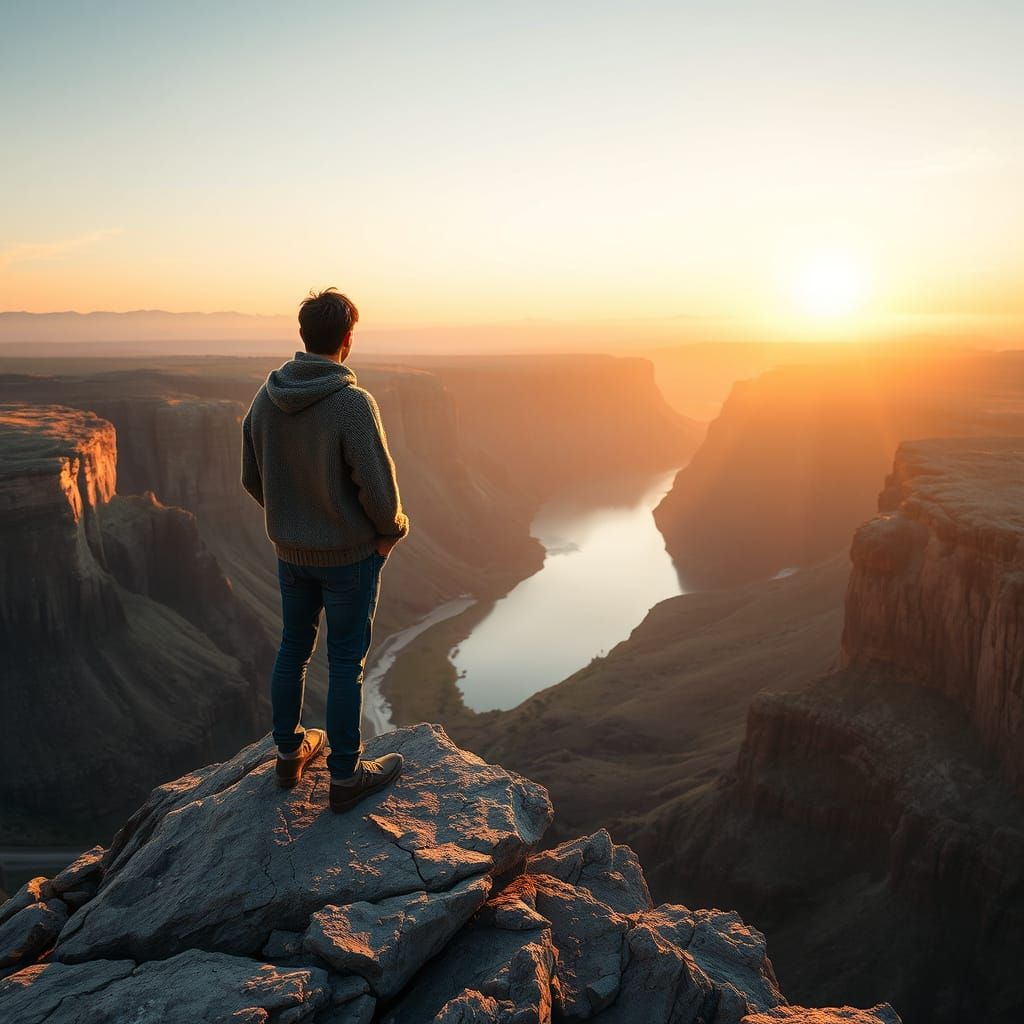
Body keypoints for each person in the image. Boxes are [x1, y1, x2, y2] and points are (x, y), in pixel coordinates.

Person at [241, 288, 409, 812]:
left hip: (291, 555)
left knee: (293, 649)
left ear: (303, 336)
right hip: (348, 559)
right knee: (345, 664)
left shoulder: (264, 399)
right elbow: (378, 490)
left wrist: (291, 519)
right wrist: (391, 531)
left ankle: (289, 753)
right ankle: (344, 776)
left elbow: (252, 477)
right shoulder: (351, 403)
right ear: (348, 339)